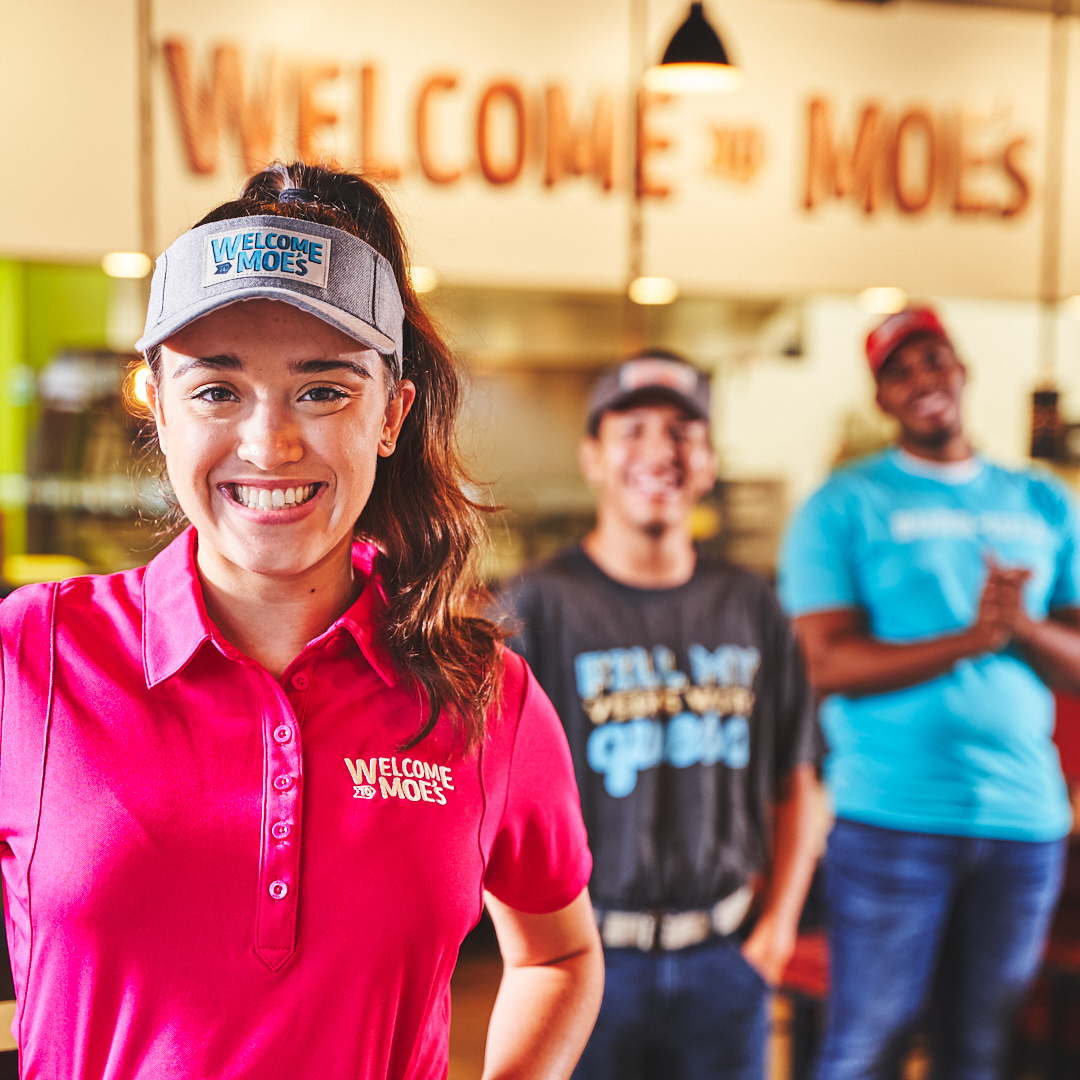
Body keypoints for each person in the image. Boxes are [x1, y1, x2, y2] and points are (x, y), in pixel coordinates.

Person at [0, 162, 603, 1079]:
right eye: (216, 390)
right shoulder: (31, 656)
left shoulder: (485, 696)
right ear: (157, 408)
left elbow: (559, 953)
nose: (269, 444)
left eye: (324, 389)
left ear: (392, 415)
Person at [496, 352, 823, 1080]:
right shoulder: (534, 606)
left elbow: (799, 778)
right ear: (592, 458)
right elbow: (490, 797)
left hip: (726, 958)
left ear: (708, 463)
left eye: (682, 431)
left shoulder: (753, 604)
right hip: (584, 962)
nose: (659, 451)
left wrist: (777, 933)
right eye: (632, 427)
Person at [779, 307, 1080, 1080]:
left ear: (963, 370)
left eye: (933, 360)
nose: (922, 380)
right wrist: (972, 640)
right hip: (891, 820)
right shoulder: (843, 505)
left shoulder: (1042, 499)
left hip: (1025, 823)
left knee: (980, 1054)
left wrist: (1023, 626)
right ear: (883, 399)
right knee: (867, 1049)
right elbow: (824, 662)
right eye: (899, 371)